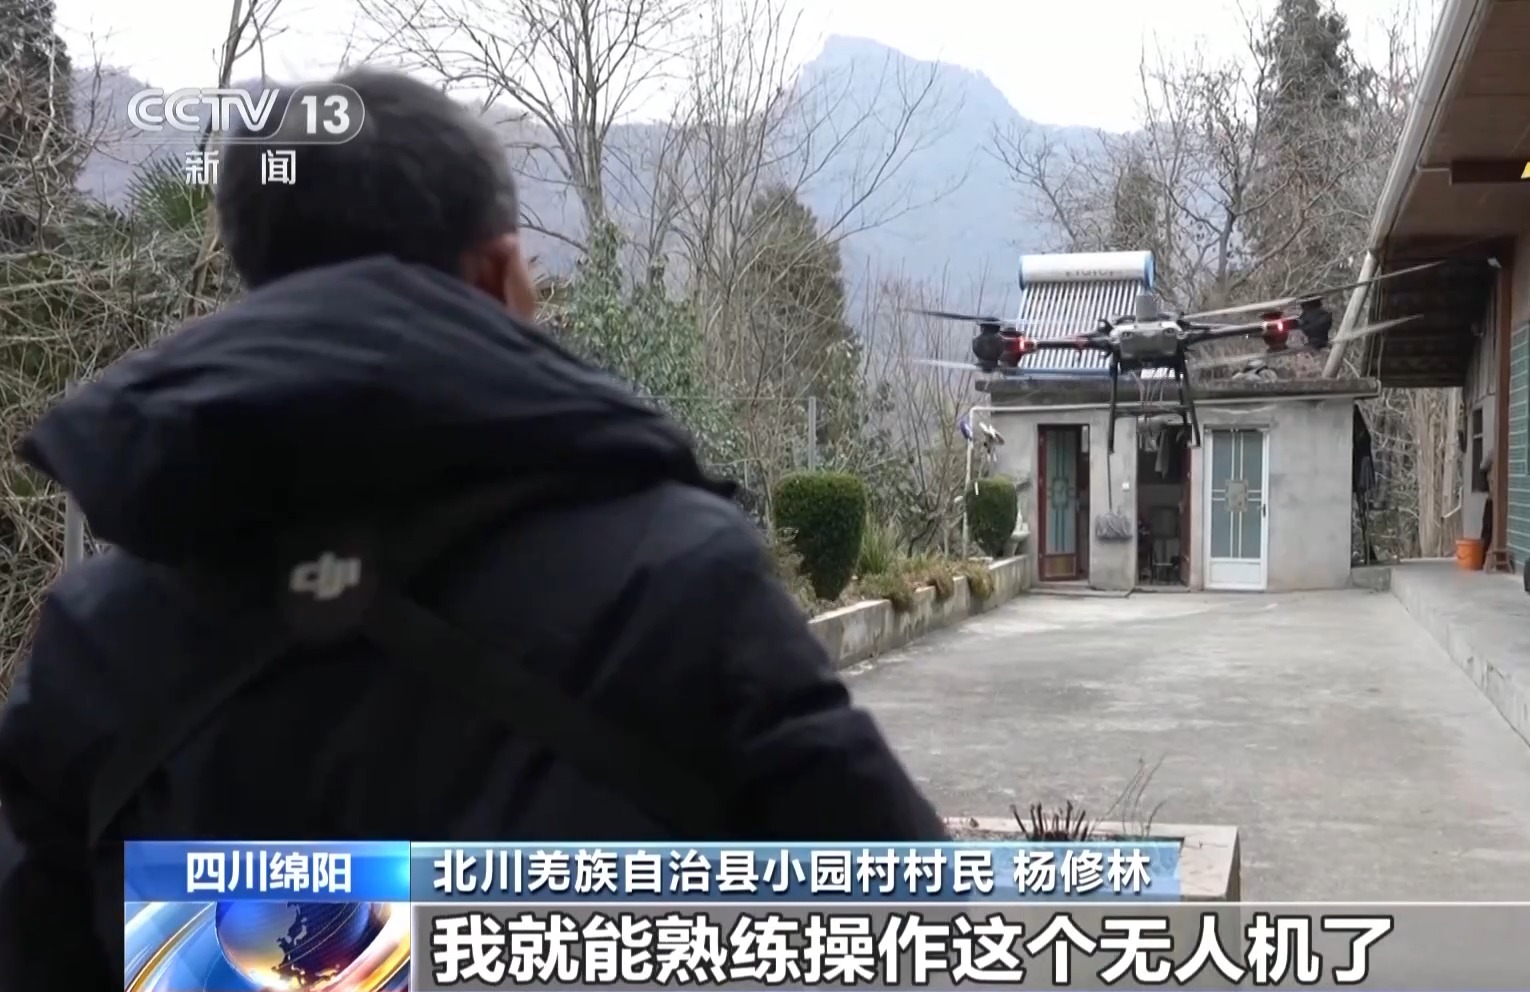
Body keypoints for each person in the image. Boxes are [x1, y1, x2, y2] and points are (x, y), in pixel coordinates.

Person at [0, 67, 947, 987]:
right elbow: (917, 936)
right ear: (497, 275)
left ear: (259, 278)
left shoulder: (101, 638)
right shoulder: (675, 582)